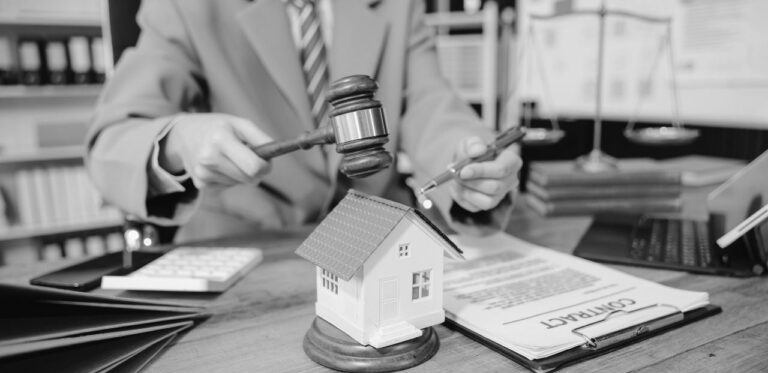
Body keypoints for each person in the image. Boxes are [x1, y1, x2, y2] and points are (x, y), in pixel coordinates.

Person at [86, 0, 522, 242]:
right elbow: (112, 140)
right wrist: (180, 139)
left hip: (375, 239)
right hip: (248, 245)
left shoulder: (398, 6)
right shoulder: (184, 5)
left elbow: (431, 106)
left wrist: (469, 158)